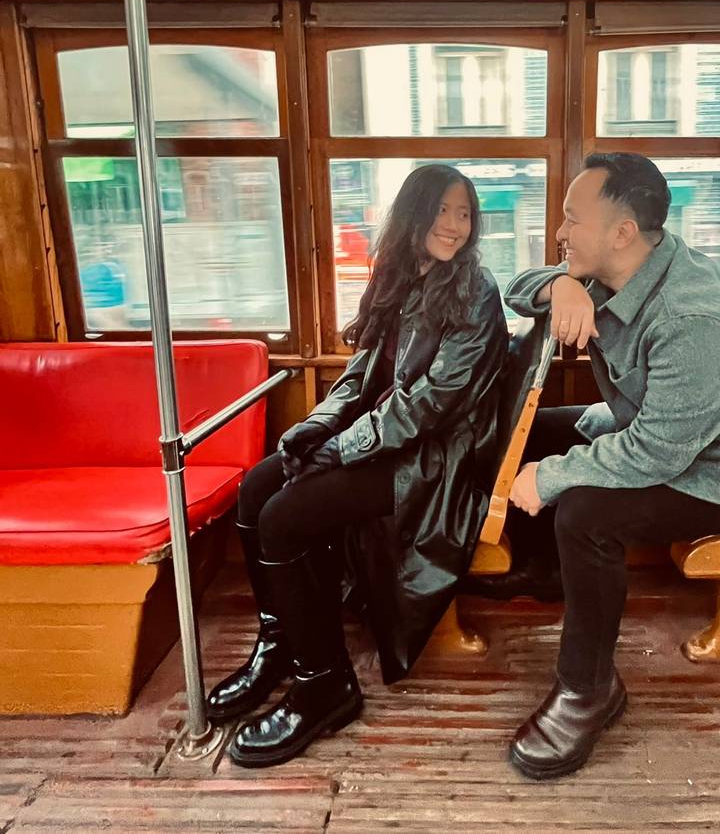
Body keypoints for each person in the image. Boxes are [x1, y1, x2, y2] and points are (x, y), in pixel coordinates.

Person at [207, 163, 508, 768]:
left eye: (464, 213)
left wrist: (342, 448)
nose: (454, 225)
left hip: (432, 461)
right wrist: (317, 426)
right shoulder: (399, 274)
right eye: (443, 210)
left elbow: (428, 407)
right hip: (390, 441)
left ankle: (325, 685)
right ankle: (281, 643)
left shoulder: (475, 292)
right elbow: (362, 375)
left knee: (285, 519)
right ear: (413, 214)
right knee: (256, 489)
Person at [499, 152, 720, 781]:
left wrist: (554, 478)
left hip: (708, 471)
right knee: (535, 434)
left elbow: (657, 452)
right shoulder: (613, 272)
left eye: (572, 219)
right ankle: (547, 572)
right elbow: (516, 285)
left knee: (588, 510)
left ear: (623, 232)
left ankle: (589, 687)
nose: (560, 232)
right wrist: (560, 285)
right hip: (665, 439)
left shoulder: (692, 317)